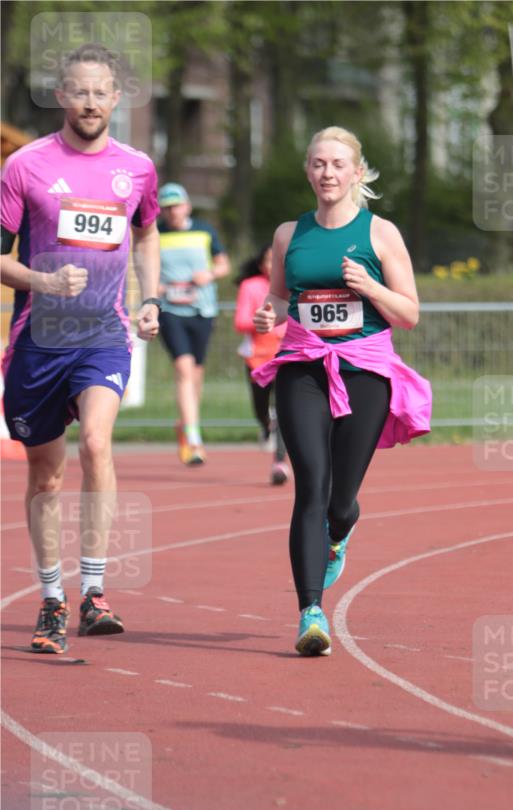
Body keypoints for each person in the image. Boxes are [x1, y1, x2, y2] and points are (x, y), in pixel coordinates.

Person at [0, 43, 161, 653]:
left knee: (97, 442)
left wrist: (151, 299)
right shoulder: (24, 166)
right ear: (61, 95)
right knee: (46, 478)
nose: (90, 102)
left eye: (101, 92)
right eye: (79, 91)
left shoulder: (138, 167)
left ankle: (93, 593)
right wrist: (41, 280)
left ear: (117, 98)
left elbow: (146, 235)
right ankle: (50, 599)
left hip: (102, 333)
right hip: (39, 341)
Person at [253, 126, 431, 657]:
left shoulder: (381, 234)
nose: (326, 173)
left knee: (339, 498)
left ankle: (343, 525)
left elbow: (410, 314)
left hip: (365, 371)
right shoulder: (290, 234)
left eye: (337, 164)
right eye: (317, 164)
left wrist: (371, 286)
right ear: (308, 170)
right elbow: (281, 300)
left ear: (357, 172)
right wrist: (270, 313)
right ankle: (311, 612)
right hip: (303, 365)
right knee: (310, 483)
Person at [157, 183, 229, 465]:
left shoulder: (204, 230)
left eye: (176, 205)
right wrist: (156, 286)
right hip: (170, 309)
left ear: (187, 205)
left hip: (202, 309)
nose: (172, 211)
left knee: (196, 374)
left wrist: (209, 275)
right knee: (183, 369)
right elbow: (140, 266)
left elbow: (224, 264)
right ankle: (194, 439)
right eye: (167, 206)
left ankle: (185, 423)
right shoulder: (155, 234)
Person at [234, 244, 289, 485]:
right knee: (261, 406)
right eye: (269, 260)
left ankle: (279, 462)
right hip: (257, 357)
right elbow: (241, 321)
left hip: (287, 356)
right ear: (261, 264)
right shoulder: (251, 286)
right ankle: (265, 425)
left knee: (286, 410)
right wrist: (265, 319)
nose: (274, 266)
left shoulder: (294, 286)